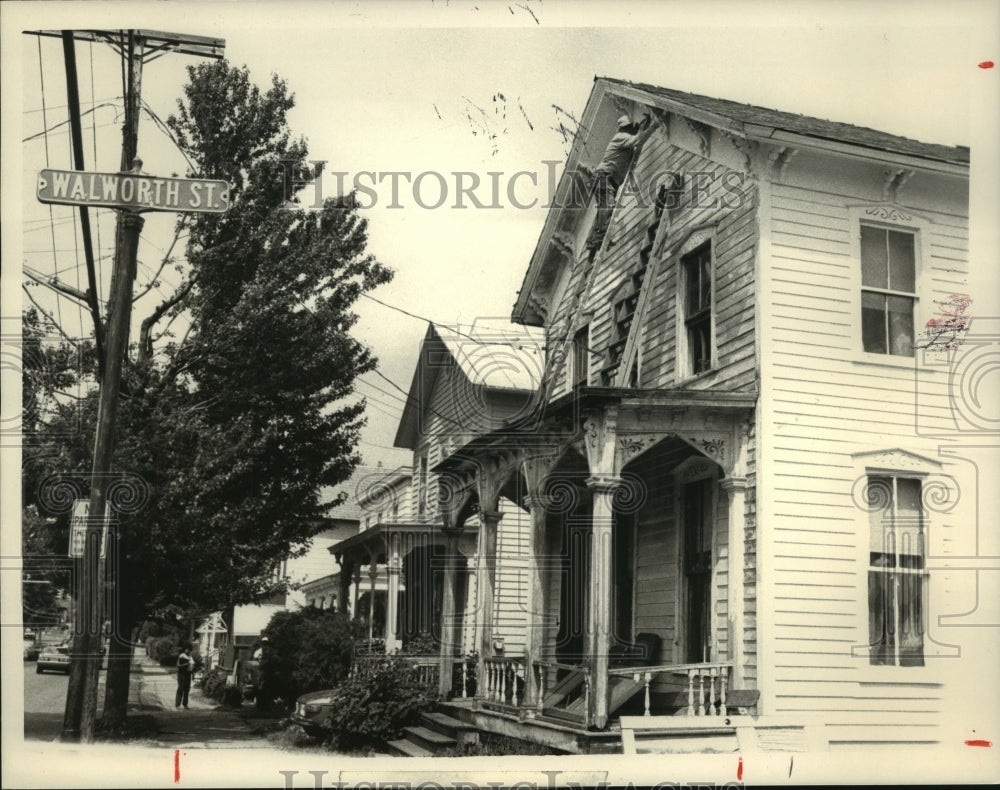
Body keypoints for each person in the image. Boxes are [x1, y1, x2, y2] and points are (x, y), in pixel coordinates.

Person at [585, 113, 661, 256]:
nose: (632, 131)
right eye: (630, 129)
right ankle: (596, 239)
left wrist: (644, 125)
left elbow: (638, 137)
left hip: (609, 181)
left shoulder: (626, 143)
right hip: (604, 177)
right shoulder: (620, 137)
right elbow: (638, 140)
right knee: (607, 207)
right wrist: (653, 127)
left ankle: (597, 239)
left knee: (605, 210)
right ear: (624, 129)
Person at [175, 642, 193, 709]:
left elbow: (192, 665)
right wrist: (184, 665)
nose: (187, 650)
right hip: (182, 674)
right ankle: (177, 704)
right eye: (186, 649)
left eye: (188, 649)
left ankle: (185, 704)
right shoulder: (182, 655)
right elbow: (178, 665)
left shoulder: (191, 656)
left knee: (187, 689)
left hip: (188, 674)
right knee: (180, 688)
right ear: (184, 649)